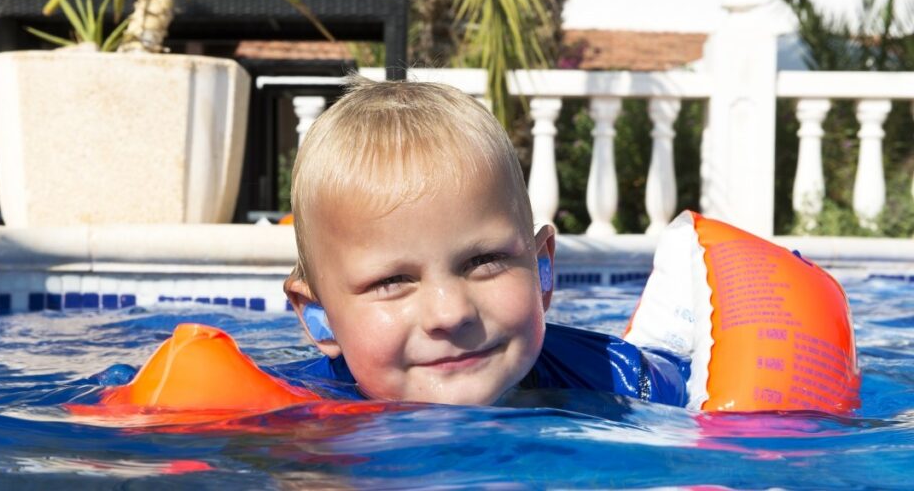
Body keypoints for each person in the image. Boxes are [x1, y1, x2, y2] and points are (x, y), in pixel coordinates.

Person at [281, 78, 688, 406]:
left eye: (484, 260)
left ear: (542, 272)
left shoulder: (620, 381)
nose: (450, 313)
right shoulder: (289, 415)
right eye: (392, 281)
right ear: (319, 314)